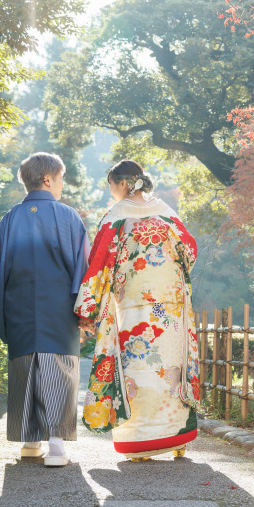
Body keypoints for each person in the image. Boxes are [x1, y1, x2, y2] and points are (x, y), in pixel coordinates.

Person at [0, 152, 89, 467]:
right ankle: (57, 447)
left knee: (26, 367)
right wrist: (86, 310)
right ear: (48, 179)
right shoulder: (68, 217)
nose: (62, 185)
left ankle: (30, 442)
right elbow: (82, 269)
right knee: (59, 369)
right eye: (61, 179)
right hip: (59, 307)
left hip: (17, 306)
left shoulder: (11, 219)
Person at [75, 159, 200, 461]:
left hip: (132, 308)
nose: (111, 193)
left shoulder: (116, 217)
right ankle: (177, 438)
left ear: (120, 184)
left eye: (111, 186)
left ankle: (141, 443)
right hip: (171, 309)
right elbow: (190, 251)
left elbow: (98, 265)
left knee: (138, 369)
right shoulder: (167, 213)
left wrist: (86, 311)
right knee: (171, 368)